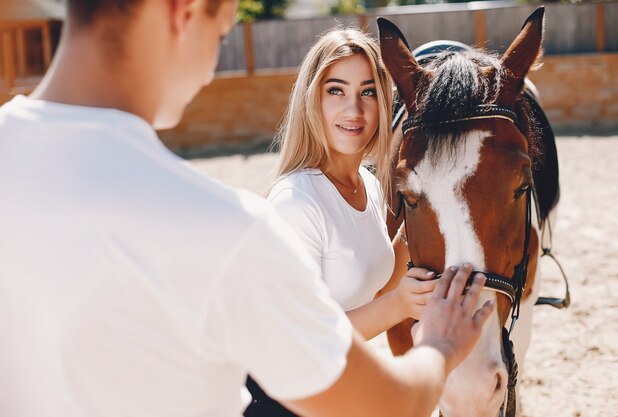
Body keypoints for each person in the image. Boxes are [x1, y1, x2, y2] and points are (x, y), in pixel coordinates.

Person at [0, 2, 494, 417]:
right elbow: (385, 402)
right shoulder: (226, 228)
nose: (213, 66)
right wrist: (442, 347)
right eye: (221, 34)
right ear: (184, 12)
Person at [245, 28, 441, 417]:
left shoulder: (365, 183)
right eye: (336, 90)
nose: (354, 110)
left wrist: (422, 220)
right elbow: (302, 339)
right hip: (280, 403)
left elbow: (368, 283)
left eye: (368, 92)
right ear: (311, 100)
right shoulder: (296, 202)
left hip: (337, 389)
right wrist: (398, 305)